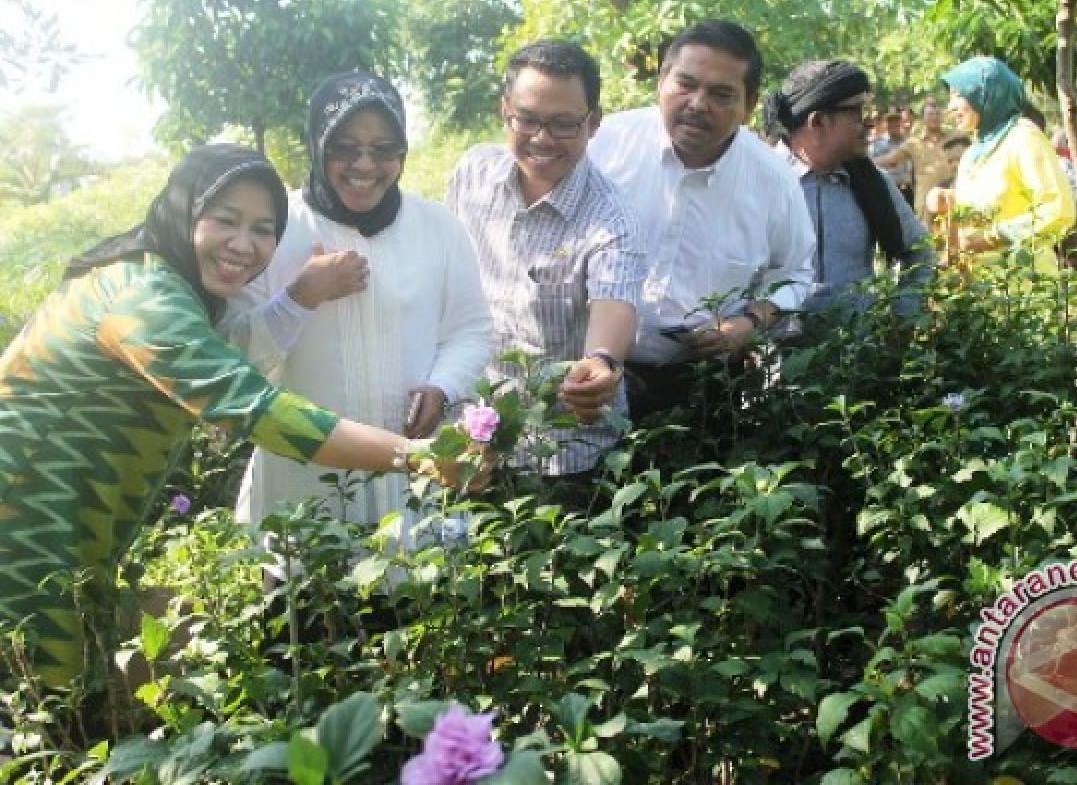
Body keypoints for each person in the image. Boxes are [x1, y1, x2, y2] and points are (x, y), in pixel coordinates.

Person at [0, 145, 448, 690]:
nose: (244, 244)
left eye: (264, 229)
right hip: (22, 531)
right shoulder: (141, 298)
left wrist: (300, 295)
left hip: (66, 534)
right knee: (32, 709)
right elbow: (255, 408)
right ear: (186, 211)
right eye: (226, 220)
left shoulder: (162, 281)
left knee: (56, 708)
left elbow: (226, 352)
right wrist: (418, 458)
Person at [223, 73, 492, 540]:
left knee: (415, 600)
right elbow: (235, 361)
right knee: (308, 600)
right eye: (344, 147)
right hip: (301, 486)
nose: (364, 164)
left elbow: (471, 330)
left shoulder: (437, 228)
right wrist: (302, 295)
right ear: (317, 145)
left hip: (413, 482)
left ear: (402, 153)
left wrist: (441, 386)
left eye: (384, 149)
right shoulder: (273, 229)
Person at [587, 19, 816, 418]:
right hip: (595, 374)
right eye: (686, 84)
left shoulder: (774, 181)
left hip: (706, 385)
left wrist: (746, 323)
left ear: (748, 106)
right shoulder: (605, 145)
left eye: (721, 94)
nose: (697, 104)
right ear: (661, 81)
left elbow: (795, 274)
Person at [446, 40, 644, 480]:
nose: (541, 138)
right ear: (504, 111)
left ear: (593, 123)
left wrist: (602, 361)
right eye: (528, 119)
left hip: (566, 457)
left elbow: (617, 298)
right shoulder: (472, 175)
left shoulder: (611, 218)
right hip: (471, 440)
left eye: (563, 124)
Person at [766, 60, 929, 318]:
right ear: (817, 122)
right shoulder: (760, 182)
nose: (869, 124)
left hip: (857, 354)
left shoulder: (872, 183)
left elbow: (919, 251)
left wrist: (903, 319)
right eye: (857, 113)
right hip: (774, 355)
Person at [925, 56, 1076, 270]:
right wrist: (948, 201)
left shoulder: (1023, 136)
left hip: (1023, 284)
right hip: (979, 286)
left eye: (959, 96)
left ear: (986, 94)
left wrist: (993, 237)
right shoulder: (972, 153)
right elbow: (985, 208)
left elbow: (1058, 210)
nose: (950, 107)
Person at [873, 97, 969, 225]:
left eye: (937, 114)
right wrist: (863, 163)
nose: (934, 117)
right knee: (927, 241)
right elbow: (890, 159)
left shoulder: (957, 137)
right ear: (923, 118)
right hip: (925, 203)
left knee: (955, 237)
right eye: (930, 114)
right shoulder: (914, 143)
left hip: (951, 198)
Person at [869, 108, 914, 206]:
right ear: (886, 123)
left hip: (906, 190)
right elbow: (870, 167)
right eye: (891, 121)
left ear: (900, 122)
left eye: (896, 120)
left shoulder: (908, 142)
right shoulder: (877, 144)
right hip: (887, 190)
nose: (894, 124)